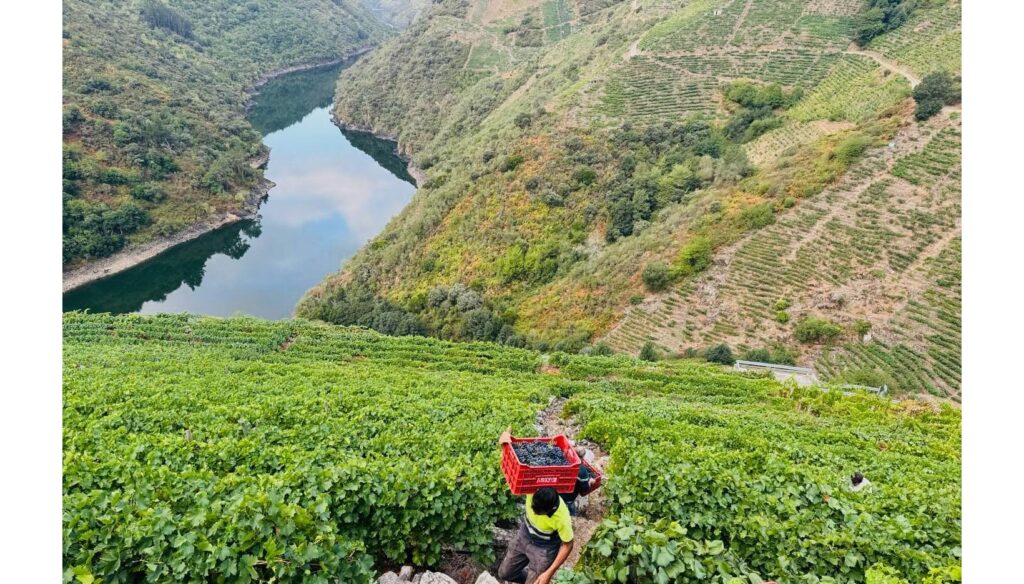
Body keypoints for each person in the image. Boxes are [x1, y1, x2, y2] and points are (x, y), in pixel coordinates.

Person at [499, 430, 574, 584]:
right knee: (504, 573)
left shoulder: (562, 517)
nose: (532, 510)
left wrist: (549, 573)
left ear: (549, 510)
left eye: (537, 511)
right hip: (524, 535)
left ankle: (535, 576)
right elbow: (511, 464)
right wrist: (505, 442)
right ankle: (526, 576)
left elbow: (568, 544)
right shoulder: (533, 486)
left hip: (545, 548)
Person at [560, 447, 598, 517]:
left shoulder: (564, 459)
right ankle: (573, 518)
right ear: (583, 457)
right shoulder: (582, 471)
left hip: (557, 492)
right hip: (569, 497)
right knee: (571, 512)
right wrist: (590, 481)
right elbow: (584, 489)